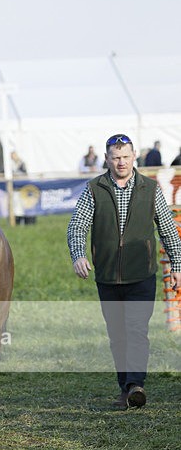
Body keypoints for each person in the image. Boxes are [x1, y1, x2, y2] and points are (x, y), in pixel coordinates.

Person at [67, 133, 181, 410]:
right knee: (117, 334)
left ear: (134, 158)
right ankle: (125, 388)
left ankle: (136, 385)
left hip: (142, 273)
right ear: (107, 159)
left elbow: (167, 230)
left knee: (137, 330)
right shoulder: (94, 189)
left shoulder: (150, 189)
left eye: (126, 157)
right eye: (116, 157)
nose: (121, 162)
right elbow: (77, 225)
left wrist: (177, 265)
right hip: (107, 275)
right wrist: (78, 255)